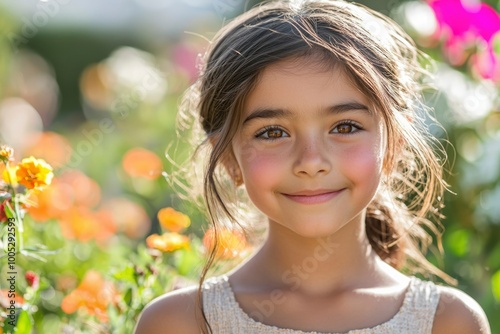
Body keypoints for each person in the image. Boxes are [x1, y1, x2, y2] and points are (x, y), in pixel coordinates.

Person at [135, 0, 491, 333]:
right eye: (273, 132)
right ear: (228, 157)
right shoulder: (182, 323)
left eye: (344, 127)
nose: (311, 162)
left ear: (394, 143)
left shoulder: (446, 322)